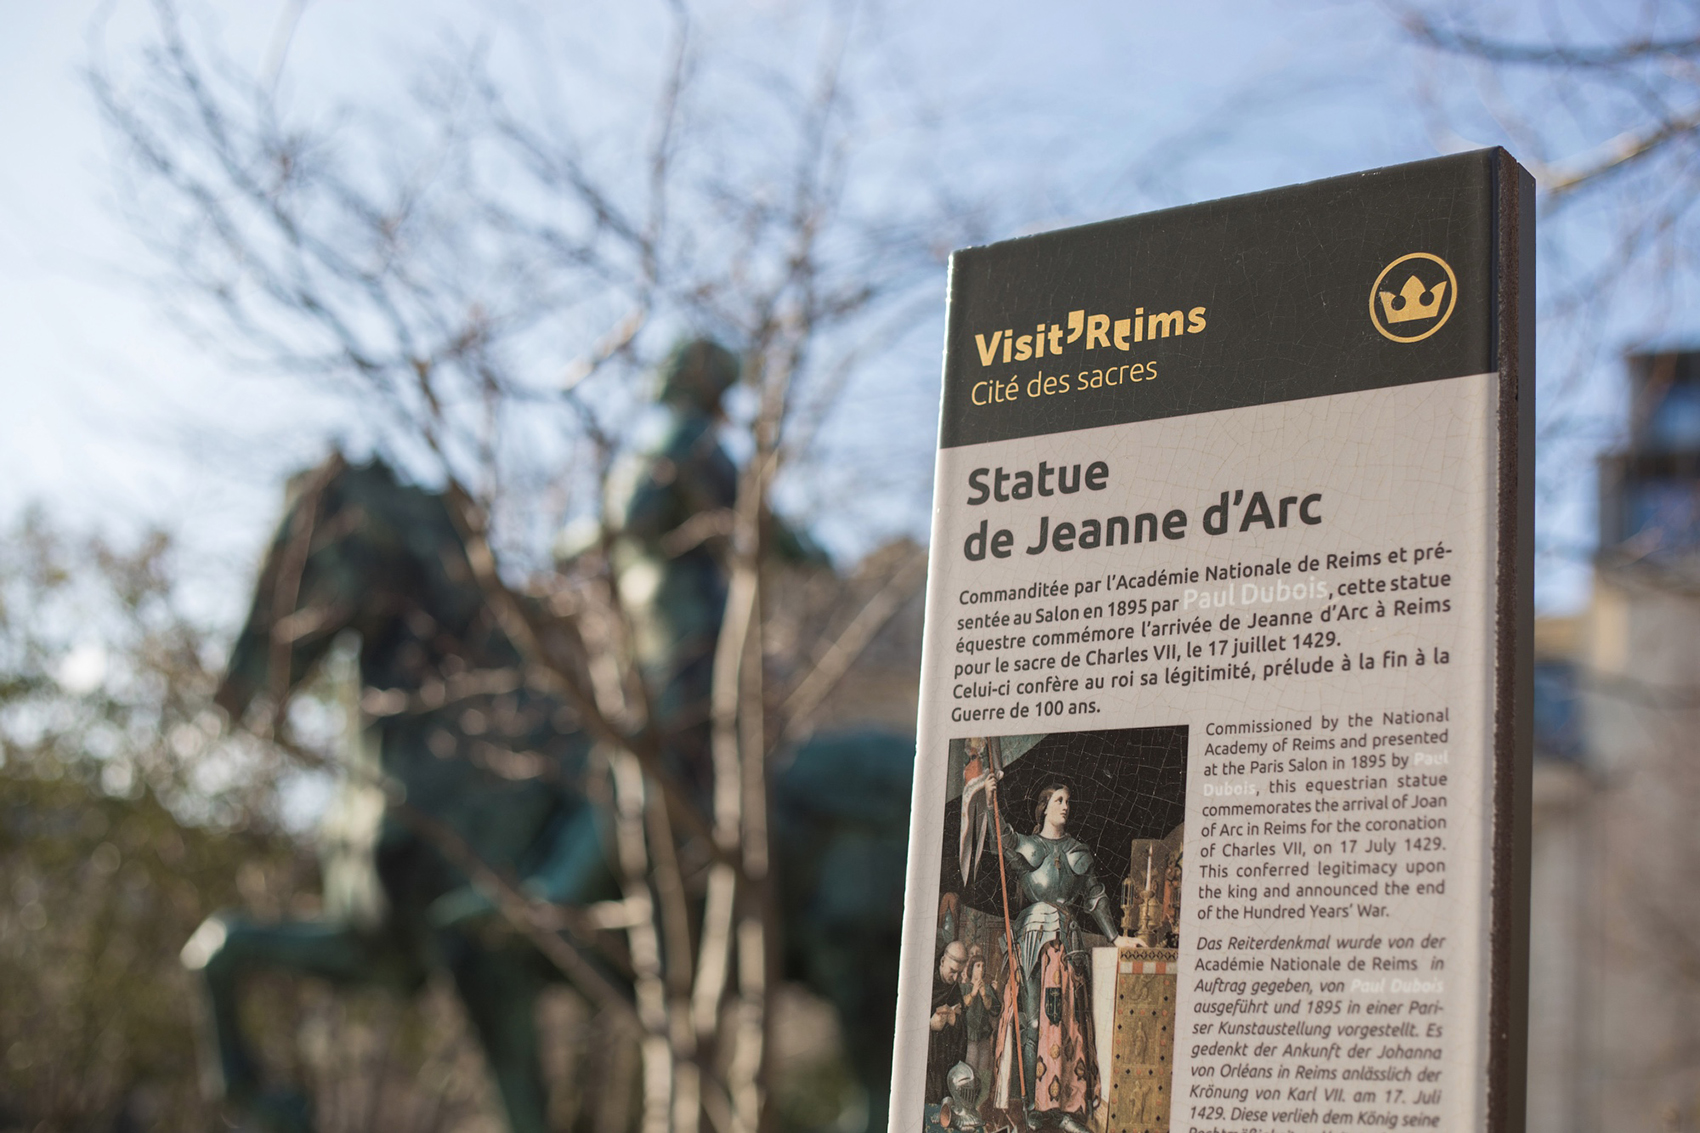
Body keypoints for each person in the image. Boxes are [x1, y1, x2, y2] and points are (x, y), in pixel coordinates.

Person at [985, 781, 1134, 1133]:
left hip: (1068, 943)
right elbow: (1002, 836)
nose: (1065, 806)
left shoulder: (1077, 851)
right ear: (1044, 807)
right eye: (1058, 800)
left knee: (1069, 1025)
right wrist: (991, 797)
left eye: (1068, 800)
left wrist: (1116, 938)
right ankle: (1032, 1106)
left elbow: (1095, 897)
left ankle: (1067, 1108)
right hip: (1034, 938)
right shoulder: (1029, 846)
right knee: (1033, 1022)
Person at [927, 940, 970, 1103]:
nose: (955, 978)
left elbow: (963, 1029)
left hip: (944, 1062)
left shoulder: (954, 989)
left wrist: (954, 1021)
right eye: (952, 971)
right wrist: (930, 1025)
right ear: (943, 961)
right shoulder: (926, 981)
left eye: (959, 973)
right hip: (925, 1064)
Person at [960, 947, 1000, 1102]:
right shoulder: (964, 987)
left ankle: (980, 1106)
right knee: (970, 1071)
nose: (981, 969)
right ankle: (967, 1104)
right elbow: (962, 1005)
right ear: (971, 969)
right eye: (978, 966)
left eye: (983, 966)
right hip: (969, 1036)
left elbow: (995, 1010)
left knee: (984, 1073)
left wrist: (984, 996)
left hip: (984, 1036)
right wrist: (974, 993)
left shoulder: (988, 989)